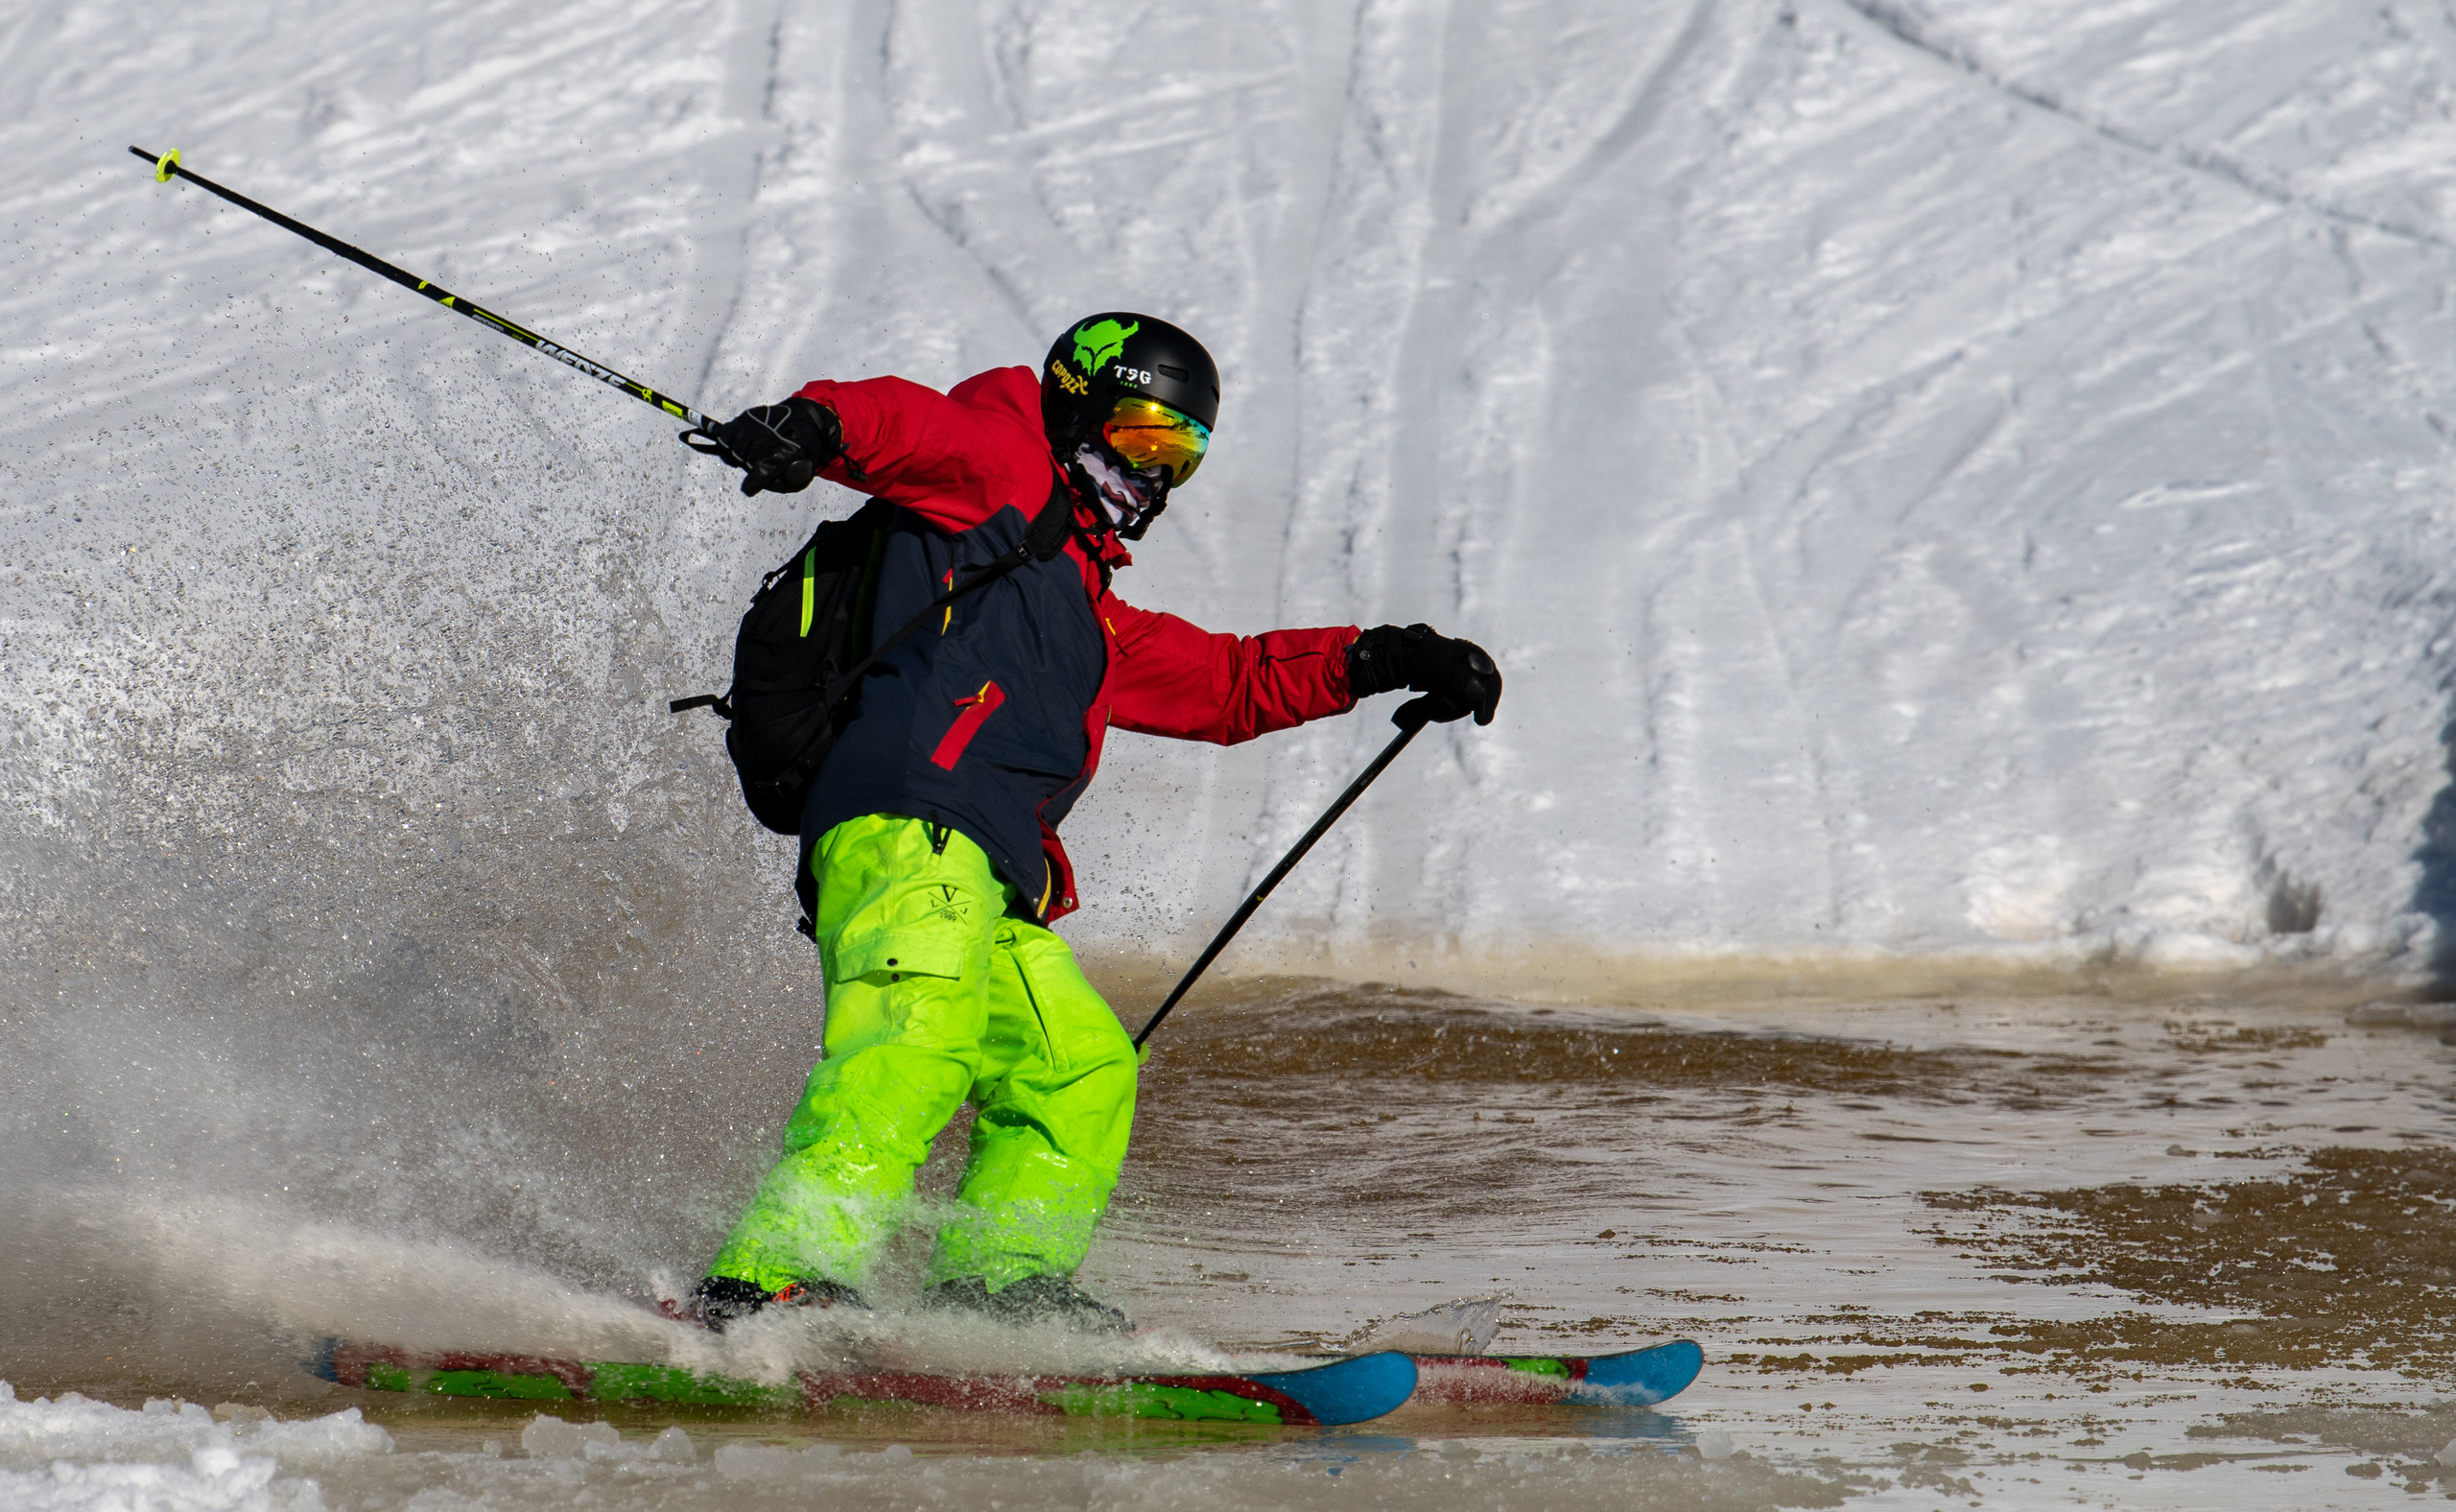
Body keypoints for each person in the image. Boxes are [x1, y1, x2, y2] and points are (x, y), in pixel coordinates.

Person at [689, 314, 1501, 1333]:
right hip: (905, 825)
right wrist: (815, 424)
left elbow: (1224, 682)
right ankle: (772, 1275)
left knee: (1077, 1064)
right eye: (1139, 436)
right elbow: (905, 424)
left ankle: (998, 1288)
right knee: (915, 1037)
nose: (1152, 475)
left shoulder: (1081, 598)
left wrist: (1383, 657)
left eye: (1179, 455)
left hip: (984, 876)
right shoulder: (1000, 472)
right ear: (1077, 406)